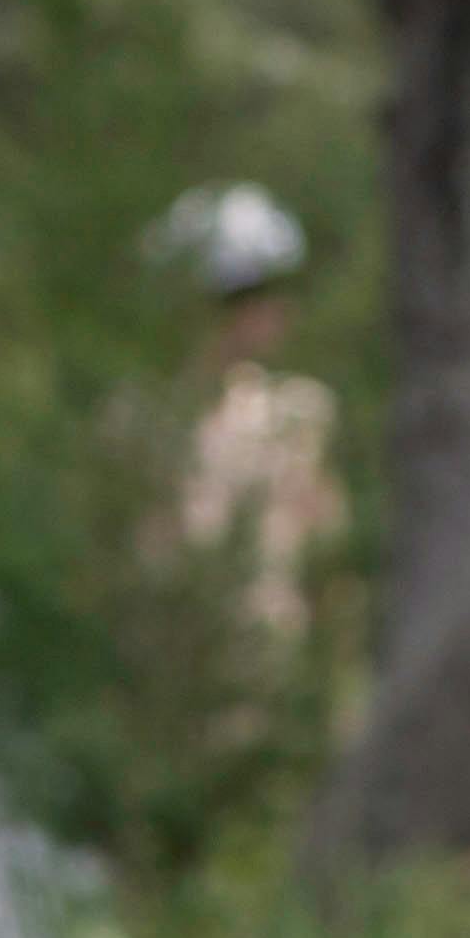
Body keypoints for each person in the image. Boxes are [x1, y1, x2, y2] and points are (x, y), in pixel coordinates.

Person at [148, 181, 339, 657]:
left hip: (268, 670)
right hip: (168, 668)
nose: (277, 311)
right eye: (257, 294)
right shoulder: (140, 419)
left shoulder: (299, 413)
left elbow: (329, 561)